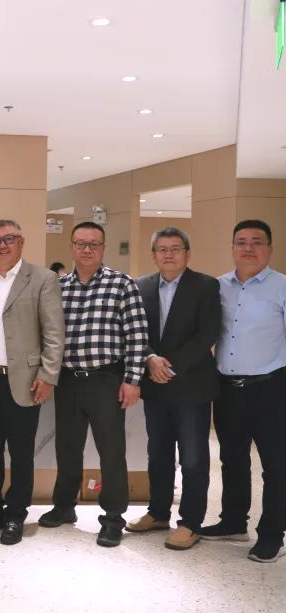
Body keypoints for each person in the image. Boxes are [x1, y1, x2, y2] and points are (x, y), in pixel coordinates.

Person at [40, 221, 149, 548]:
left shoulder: (122, 284)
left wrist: (132, 380)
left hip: (106, 379)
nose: (87, 249)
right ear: (72, 247)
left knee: (111, 452)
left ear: (103, 248)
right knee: (67, 447)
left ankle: (113, 517)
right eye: (81, 243)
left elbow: (137, 336)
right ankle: (64, 506)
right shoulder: (58, 286)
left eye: (94, 244)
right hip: (68, 379)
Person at [0, 220, 63, 545]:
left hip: (25, 381)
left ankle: (15, 515)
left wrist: (47, 375)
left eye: (9, 239)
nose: (2, 245)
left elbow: (54, 333)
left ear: (21, 242)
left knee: (21, 453)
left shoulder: (43, 279)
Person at [126, 227, 219, 551]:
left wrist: (169, 366)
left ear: (187, 253)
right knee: (158, 454)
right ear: (153, 254)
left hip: (191, 387)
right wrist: (150, 359)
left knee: (193, 458)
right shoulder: (141, 286)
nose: (168, 254)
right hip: (156, 387)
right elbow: (135, 330)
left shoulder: (206, 286)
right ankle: (158, 512)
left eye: (175, 248)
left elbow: (208, 333)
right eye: (162, 249)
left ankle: (190, 522)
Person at [203, 220, 286, 563]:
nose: (248, 248)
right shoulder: (218, 287)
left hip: (271, 389)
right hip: (227, 389)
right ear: (233, 247)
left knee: (276, 465)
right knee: (232, 459)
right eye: (241, 242)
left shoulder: (282, 287)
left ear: (270, 248)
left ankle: (272, 535)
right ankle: (234, 522)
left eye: (257, 242)